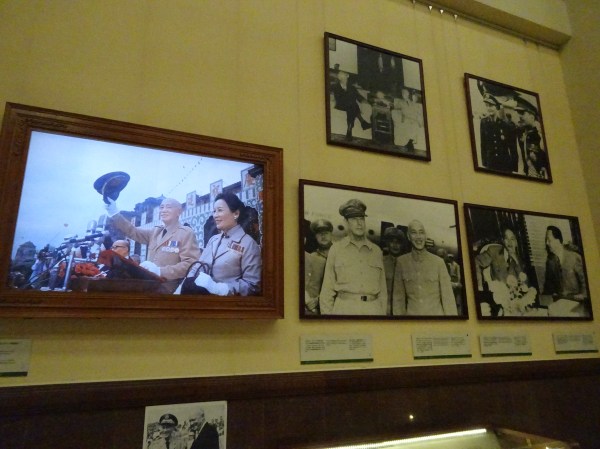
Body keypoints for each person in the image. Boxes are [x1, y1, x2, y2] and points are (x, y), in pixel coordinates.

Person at [104, 197, 200, 291]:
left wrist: (160, 271)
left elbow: (190, 264)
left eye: (168, 207)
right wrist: (114, 213)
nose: (164, 210)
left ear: (179, 212)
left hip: (168, 289)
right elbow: (133, 231)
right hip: (148, 285)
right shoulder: (156, 231)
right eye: (161, 207)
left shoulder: (185, 233)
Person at [319, 199, 387, 315]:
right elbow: (327, 291)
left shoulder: (376, 251)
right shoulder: (336, 250)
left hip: (373, 310)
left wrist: (382, 317)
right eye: (354, 219)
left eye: (361, 218)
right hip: (344, 310)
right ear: (346, 222)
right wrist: (328, 321)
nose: (359, 223)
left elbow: (383, 292)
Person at [189, 192, 262, 296]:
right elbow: (198, 266)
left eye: (220, 210)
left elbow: (252, 285)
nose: (215, 215)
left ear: (236, 214)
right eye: (214, 211)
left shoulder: (248, 244)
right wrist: (186, 283)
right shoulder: (213, 240)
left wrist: (219, 289)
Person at [393, 220, 457, 316]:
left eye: (421, 232)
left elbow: (448, 299)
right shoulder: (401, 262)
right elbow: (398, 300)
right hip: (412, 321)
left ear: (425, 236)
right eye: (414, 233)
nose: (418, 237)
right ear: (408, 237)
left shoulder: (438, 262)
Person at [543, 225, 587, 300]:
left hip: (577, 300)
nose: (547, 243)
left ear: (558, 240)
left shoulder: (575, 257)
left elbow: (586, 282)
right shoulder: (550, 261)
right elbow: (548, 287)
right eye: (546, 240)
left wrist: (583, 295)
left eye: (549, 240)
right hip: (561, 301)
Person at [479, 93, 517, 172]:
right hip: (490, 163)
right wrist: (484, 163)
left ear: (497, 107)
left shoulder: (505, 125)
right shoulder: (483, 122)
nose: (489, 108)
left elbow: (513, 147)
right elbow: (483, 144)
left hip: (504, 164)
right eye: (487, 106)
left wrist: (513, 167)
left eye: (491, 106)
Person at [331, 70, 372, 140]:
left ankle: (349, 130)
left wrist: (367, 102)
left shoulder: (352, 87)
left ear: (347, 76)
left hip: (350, 106)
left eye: (342, 74)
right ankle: (363, 122)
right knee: (353, 104)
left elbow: (358, 97)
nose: (340, 76)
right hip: (340, 105)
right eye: (339, 74)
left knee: (352, 106)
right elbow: (338, 98)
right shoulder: (336, 86)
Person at [304, 219, 333, 314]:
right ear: (315, 236)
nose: (323, 236)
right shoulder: (312, 257)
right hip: (318, 309)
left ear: (331, 234)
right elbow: (310, 285)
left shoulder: (341, 255)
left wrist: (319, 299)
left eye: (326, 233)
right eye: (320, 233)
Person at [515, 96, 548, 178]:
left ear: (532, 115)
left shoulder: (541, 132)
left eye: (522, 113)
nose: (519, 116)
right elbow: (521, 159)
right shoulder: (522, 132)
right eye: (518, 113)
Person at [382, 227, 406, 315]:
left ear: (402, 245)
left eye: (398, 242)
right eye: (392, 242)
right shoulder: (381, 262)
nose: (395, 245)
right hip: (384, 310)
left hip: (401, 312)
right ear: (387, 243)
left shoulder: (407, 264)